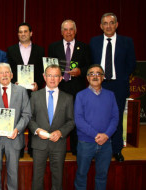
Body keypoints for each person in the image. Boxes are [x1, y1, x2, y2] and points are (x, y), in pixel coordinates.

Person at [90, 13, 136, 162]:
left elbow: (131, 65)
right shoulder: (94, 42)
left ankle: (117, 150)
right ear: (100, 26)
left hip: (118, 85)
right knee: (96, 118)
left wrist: (120, 77)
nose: (108, 26)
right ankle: (97, 149)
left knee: (116, 118)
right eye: (105, 23)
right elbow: (91, 63)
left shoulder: (127, 42)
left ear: (117, 25)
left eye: (111, 23)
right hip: (99, 84)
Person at [0, 63, 31, 190]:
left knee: (13, 174)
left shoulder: (21, 91)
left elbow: (26, 114)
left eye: (7, 72)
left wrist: (17, 129)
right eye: (1, 73)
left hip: (14, 137)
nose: (4, 75)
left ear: (12, 75)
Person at [48, 19, 92, 155]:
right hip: (58, 89)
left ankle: (75, 149)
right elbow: (49, 67)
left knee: (74, 119)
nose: (68, 32)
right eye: (65, 30)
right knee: (56, 119)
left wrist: (80, 71)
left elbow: (89, 67)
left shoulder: (84, 47)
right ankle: (55, 148)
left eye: (71, 29)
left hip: (77, 90)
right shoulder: (53, 47)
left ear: (76, 31)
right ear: (61, 32)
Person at [29, 64, 74, 190]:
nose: (52, 79)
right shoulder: (35, 96)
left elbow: (71, 121)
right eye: (49, 75)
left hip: (58, 143)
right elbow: (29, 118)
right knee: (37, 178)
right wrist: (37, 130)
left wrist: (60, 132)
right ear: (44, 77)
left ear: (61, 78)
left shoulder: (68, 98)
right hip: (39, 143)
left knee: (58, 178)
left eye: (56, 76)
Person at [74, 64, 119, 190]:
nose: (95, 76)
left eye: (98, 73)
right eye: (91, 74)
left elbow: (115, 118)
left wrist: (106, 135)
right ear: (87, 78)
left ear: (103, 77)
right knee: (81, 175)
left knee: (102, 176)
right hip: (86, 143)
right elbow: (79, 120)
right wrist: (96, 135)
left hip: (106, 143)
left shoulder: (110, 95)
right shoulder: (80, 95)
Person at [7, 22, 45, 91]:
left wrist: (37, 85)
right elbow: (9, 69)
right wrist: (13, 84)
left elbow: (41, 70)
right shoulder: (11, 50)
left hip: (34, 90)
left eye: (25, 31)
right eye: (20, 32)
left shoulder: (40, 50)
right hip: (16, 90)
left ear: (31, 33)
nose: (23, 34)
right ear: (18, 34)